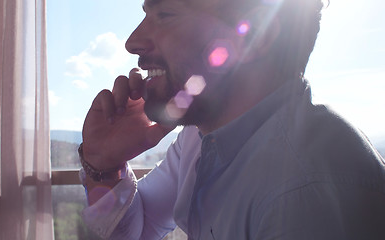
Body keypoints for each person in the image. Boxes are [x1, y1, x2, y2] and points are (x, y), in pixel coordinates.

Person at [78, 0, 385, 239]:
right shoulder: (201, 137)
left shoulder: (304, 195)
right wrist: (103, 166)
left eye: (166, 14)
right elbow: (140, 230)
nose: (133, 41)